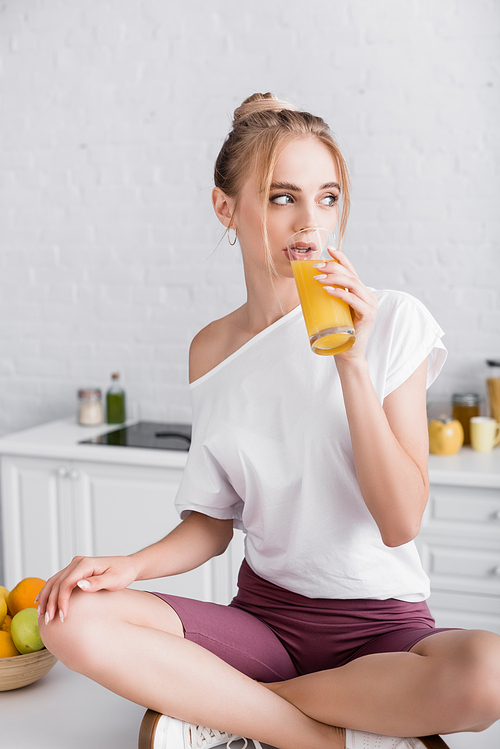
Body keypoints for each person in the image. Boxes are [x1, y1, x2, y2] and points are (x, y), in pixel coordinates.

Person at [37, 93, 500, 749]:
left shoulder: (393, 319)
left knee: (489, 675)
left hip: (384, 633)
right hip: (266, 624)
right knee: (69, 618)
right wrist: (130, 565)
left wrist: (353, 364)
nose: (311, 223)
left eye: (328, 196)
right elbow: (211, 521)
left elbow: (400, 520)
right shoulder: (211, 349)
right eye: (283, 197)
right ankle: (332, 736)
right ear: (226, 208)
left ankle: (228, 711)